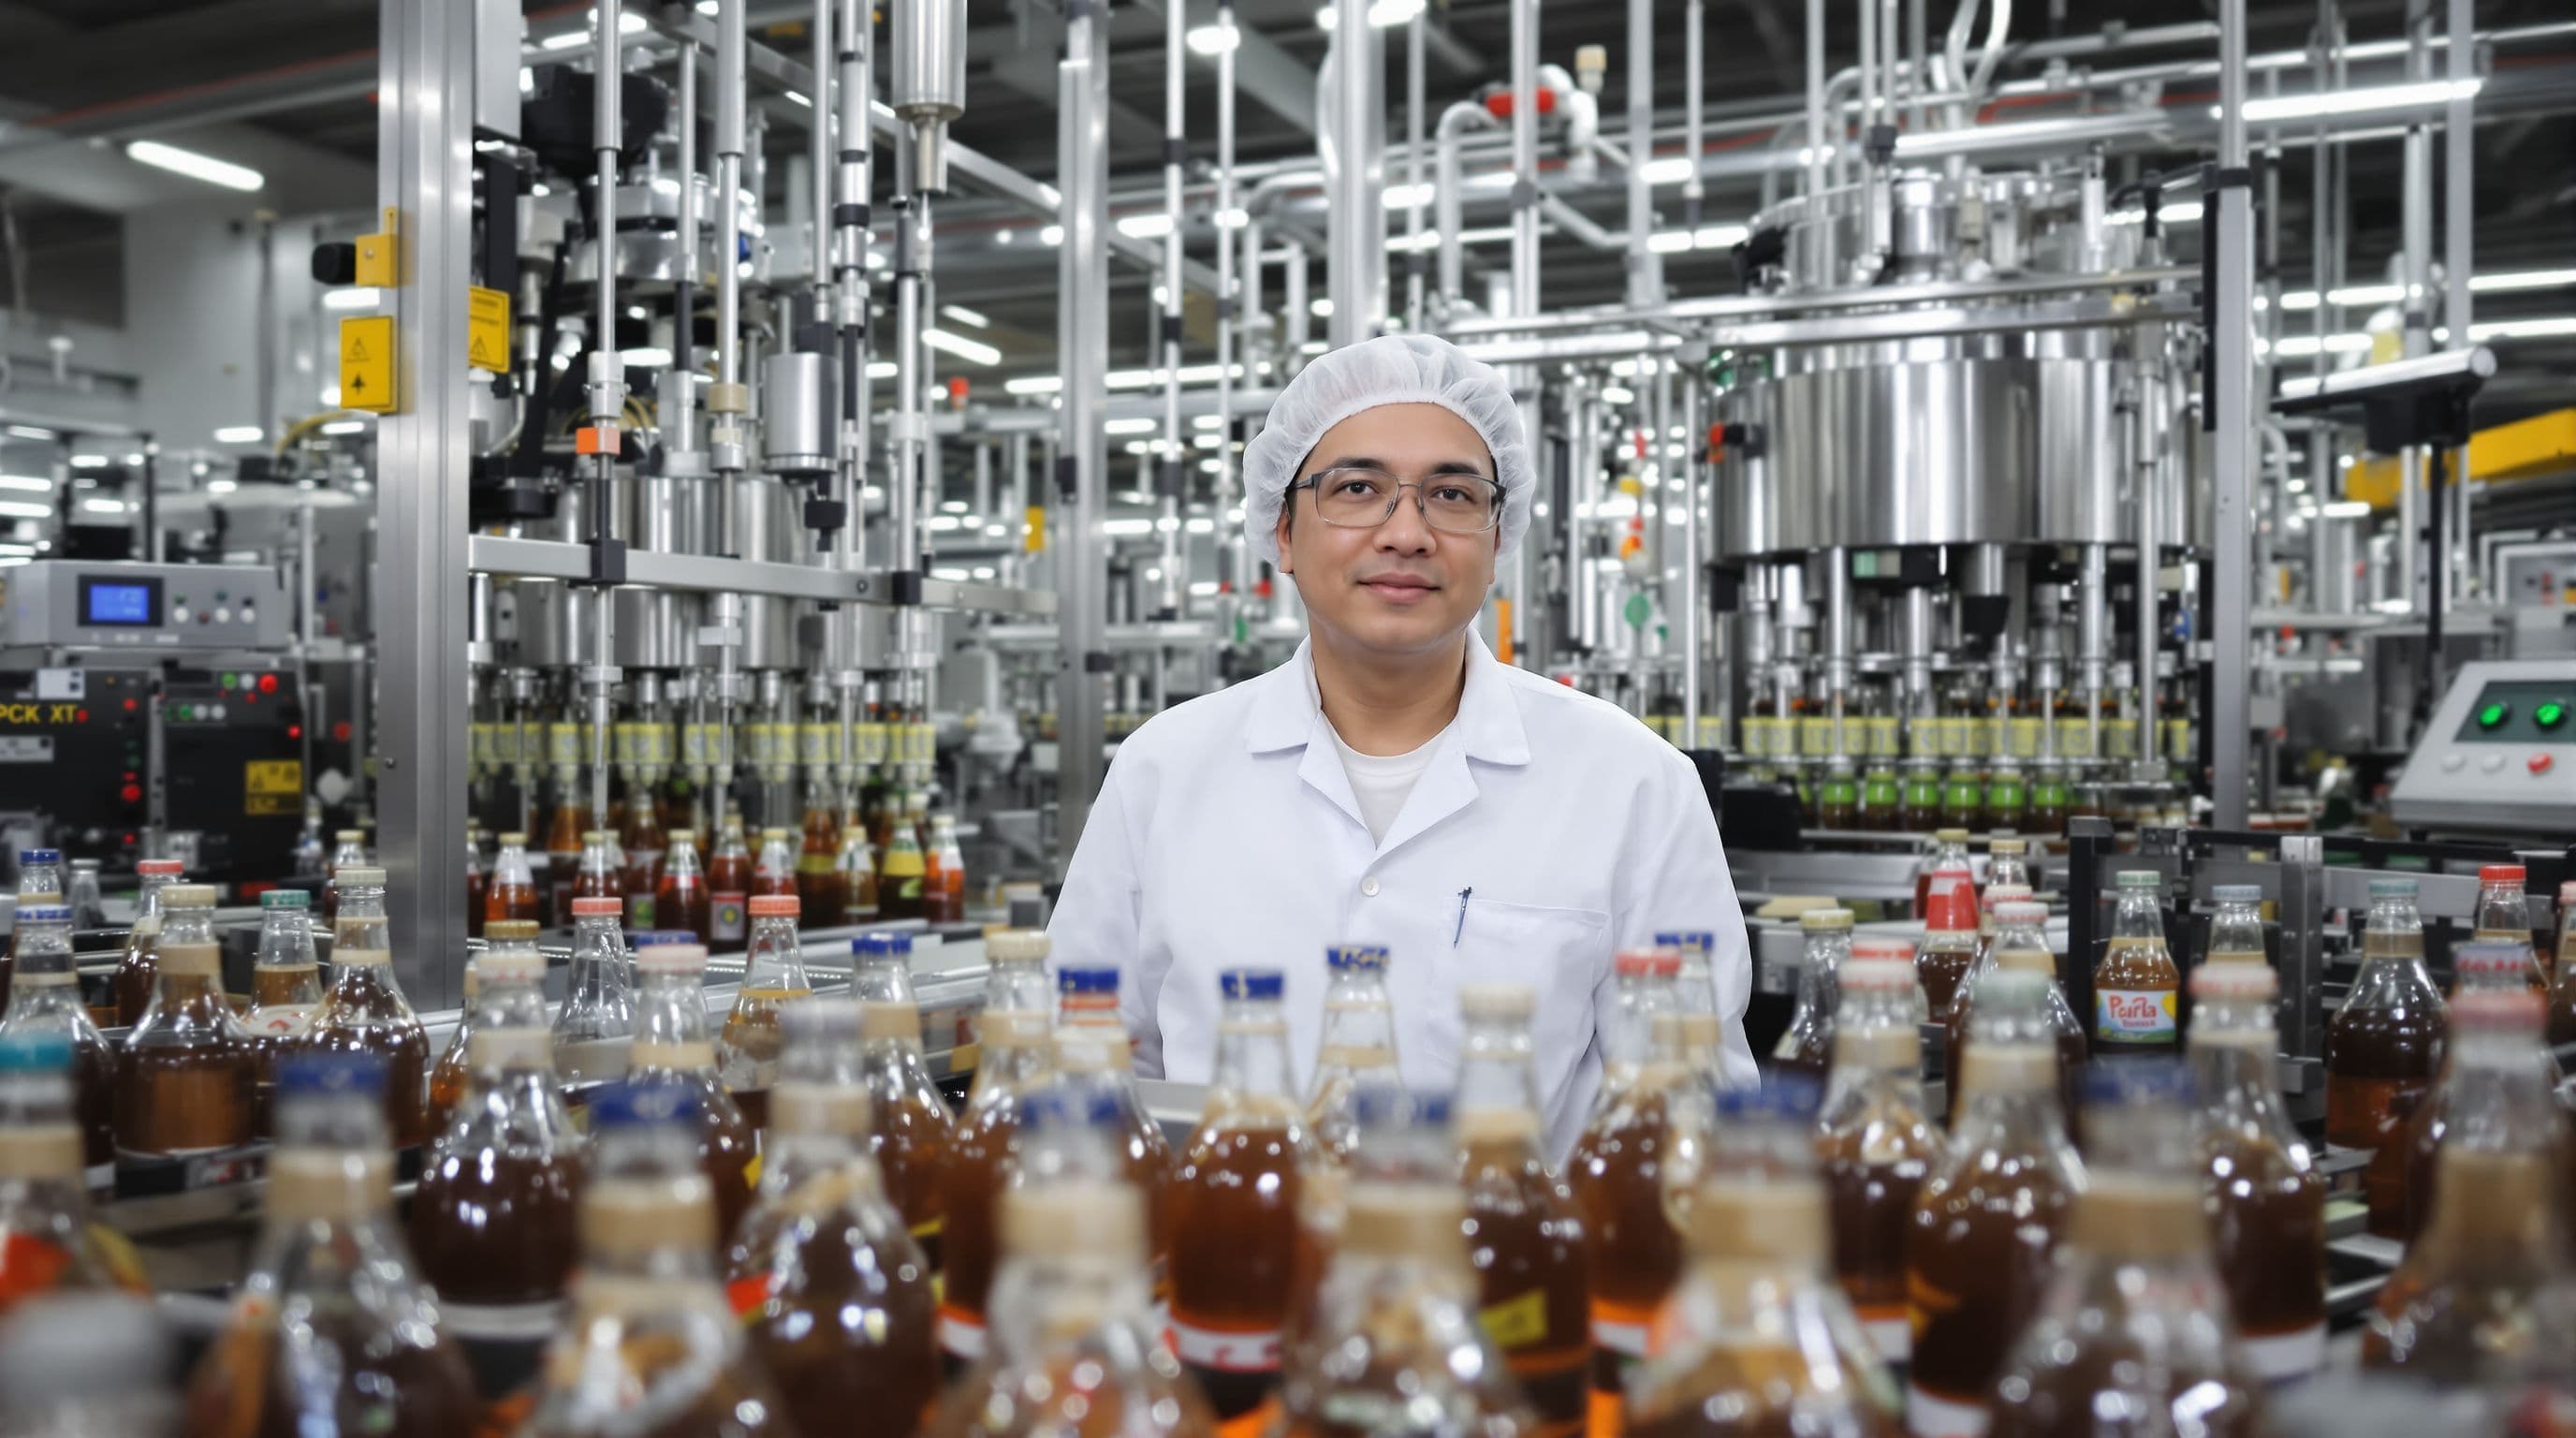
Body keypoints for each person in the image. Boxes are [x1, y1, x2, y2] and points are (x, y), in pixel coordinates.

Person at [1046, 334, 1757, 1157]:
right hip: (1231, 1271)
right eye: (1357, 488)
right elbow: (1083, 1063)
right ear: (1281, 530)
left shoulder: (1633, 784)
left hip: (1510, 1274)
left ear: (1498, 538)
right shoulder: (1162, 772)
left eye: (1453, 495)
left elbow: (1691, 1110)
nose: (1407, 533)